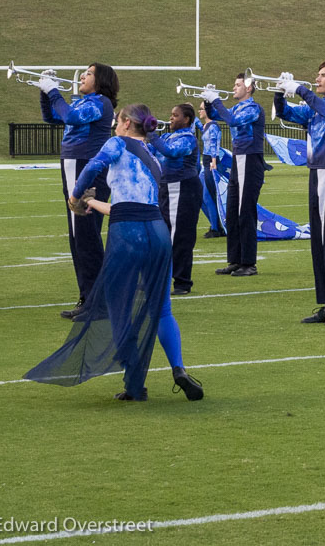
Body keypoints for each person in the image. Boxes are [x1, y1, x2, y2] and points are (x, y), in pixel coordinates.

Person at [25, 104, 203, 402]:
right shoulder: (153, 156)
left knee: (120, 308)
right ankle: (179, 368)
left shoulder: (117, 143)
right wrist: (93, 204)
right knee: (162, 309)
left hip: (128, 235)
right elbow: (130, 205)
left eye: (117, 121)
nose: (114, 126)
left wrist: (75, 195)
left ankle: (135, 386)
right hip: (157, 231)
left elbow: (94, 166)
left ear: (126, 123)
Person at [37, 62, 118, 319]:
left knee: (86, 237)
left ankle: (98, 302)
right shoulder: (85, 102)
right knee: (77, 238)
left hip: (87, 170)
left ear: (101, 80)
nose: (83, 76)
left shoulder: (101, 102)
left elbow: (70, 117)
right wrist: (44, 91)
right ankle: (88, 297)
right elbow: (52, 116)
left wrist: (54, 92)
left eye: (89, 73)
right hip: (74, 167)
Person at [276, 63, 325, 324]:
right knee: (319, 242)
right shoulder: (314, 108)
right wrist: (279, 93)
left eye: (323, 75)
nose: (317, 79)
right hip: (316, 173)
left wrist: (299, 89)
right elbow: (285, 113)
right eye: (317, 75)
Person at [203, 73, 264, 277]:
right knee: (232, 210)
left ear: (249, 88)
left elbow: (234, 121)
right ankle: (235, 259)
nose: (234, 87)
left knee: (245, 210)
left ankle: (249, 263)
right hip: (240, 159)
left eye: (238, 84)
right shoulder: (237, 107)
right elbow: (216, 115)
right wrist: (207, 99)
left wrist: (216, 99)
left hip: (250, 158)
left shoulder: (253, 108)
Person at [147, 103, 203, 296]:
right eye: (170, 115)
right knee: (163, 234)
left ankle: (182, 282)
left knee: (180, 237)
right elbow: (151, 153)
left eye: (175, 115)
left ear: (186, 119)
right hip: (168, 187)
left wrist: (152, 134)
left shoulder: (188, 138)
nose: (170, 118)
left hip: (183, 187)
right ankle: (160, 278)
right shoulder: (168, 136)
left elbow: (171, 152)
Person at [197, 105, 225, 238]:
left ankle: (216, 228)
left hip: (211, 162)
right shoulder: (206, 125)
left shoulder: (213, 126)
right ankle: (216, 224)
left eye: (201, 109)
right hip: (207, 161)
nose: (199, 111)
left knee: (208, 196)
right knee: (202, 197)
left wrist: (213, 161)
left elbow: (214, 143)